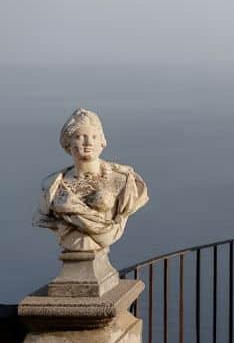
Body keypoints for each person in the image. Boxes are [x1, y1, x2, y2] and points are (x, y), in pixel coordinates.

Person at [34, 108, 149, 253]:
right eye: (80, 137)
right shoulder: (52, 186)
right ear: (68, 143)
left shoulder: (123, 181)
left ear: (102, 142)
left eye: (94, 137)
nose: (88, 143)